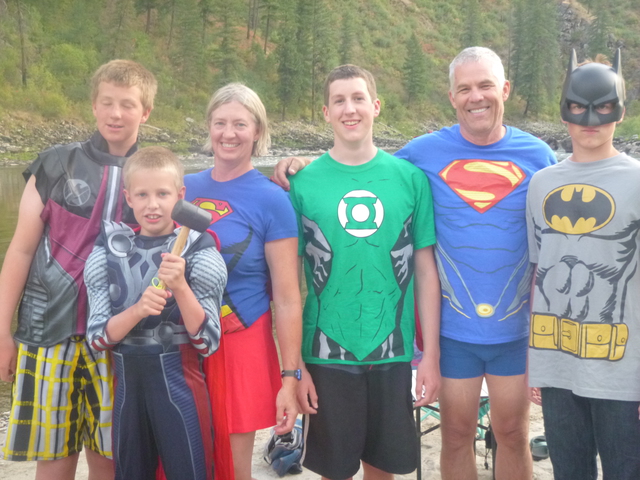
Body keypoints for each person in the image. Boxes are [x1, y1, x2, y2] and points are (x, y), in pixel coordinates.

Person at [272, 47, 556, 480]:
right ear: (451, 96)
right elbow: (356, 168)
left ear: (505, 89)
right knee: (455, 435)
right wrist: (301, 167)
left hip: (512, 330)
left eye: (485, 86)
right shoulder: (420, 155)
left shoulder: (537, 156)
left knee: (513, 434)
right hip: (446, 333)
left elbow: (555, 245)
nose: (475, 97)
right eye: (464, 88)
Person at [0, 59, 156, 480]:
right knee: (54, 457)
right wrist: (2, 334)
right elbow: (20, 250)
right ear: (93, 105)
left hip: (119, 336)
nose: (115, 114)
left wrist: (289, 171)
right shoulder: (55, 164)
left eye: (127, 105)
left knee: (111, 455)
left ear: (145, 112)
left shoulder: (155, 174)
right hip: (48, 331)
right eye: (107, 102)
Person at [289, 64, 440, 480]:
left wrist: (431, 356)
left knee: (383, 468)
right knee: (334, 470)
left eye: (358, 98)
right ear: (325, 112)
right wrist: (295, 367)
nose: (349, 109)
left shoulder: (410, 180)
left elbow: (425, 273)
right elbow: (288, 286)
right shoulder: (302, 184)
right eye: (339, 100)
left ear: (376, 106)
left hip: (393, 351)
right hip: (324, 352)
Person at [527, 49, 640, 480]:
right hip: (558, 364)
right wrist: (536, 362)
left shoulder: (636, 180)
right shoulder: (541, 184)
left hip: (623, 371)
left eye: (603, 108)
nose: (590, 120)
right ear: (564, 112)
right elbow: (539, 272)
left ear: (620, 112)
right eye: (578, 107)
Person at [84, 146, 226, 480]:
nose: (152, 205)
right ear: (128, 197)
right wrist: (137, 310)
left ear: (180, 195)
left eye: (162, 194)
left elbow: (208, 343)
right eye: (142, 195)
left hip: (180, 387)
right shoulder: (108, 249)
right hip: (127, 393)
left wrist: (181, 287)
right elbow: (97, 338)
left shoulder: (199, 250)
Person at [183, 83, 302, 480]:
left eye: (240, 124)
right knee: (178, 459)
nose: (228, 133)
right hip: (180, 340)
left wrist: (290, 379)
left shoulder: (273, 199)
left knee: (231, 470)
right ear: (209, 127)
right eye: (220, 123)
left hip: (239, 342)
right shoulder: (183, 187)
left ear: (257, 131)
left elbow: (287, 298)